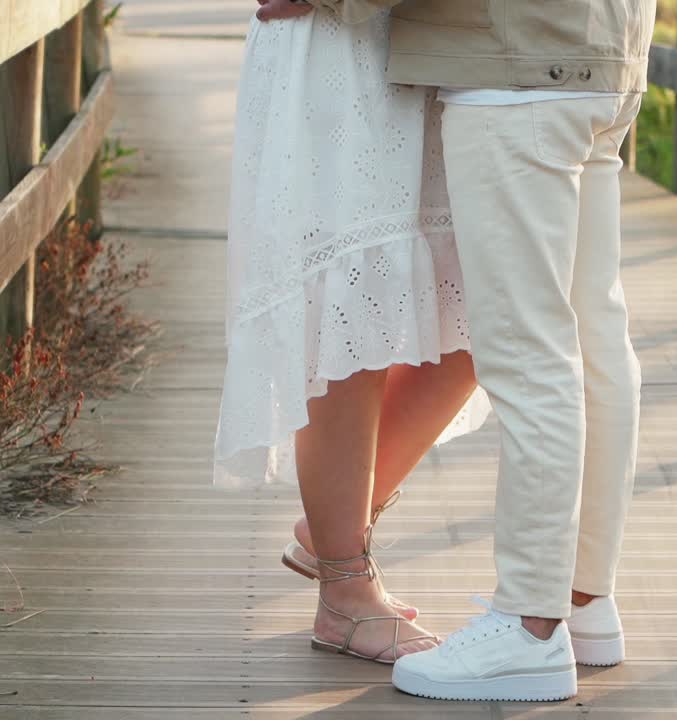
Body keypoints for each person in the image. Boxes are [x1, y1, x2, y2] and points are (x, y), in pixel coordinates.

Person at [264, 0, 656, 702]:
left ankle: (530, 628)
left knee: (528, 351)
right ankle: (586, 601)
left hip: (519, 60)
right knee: (596, 333)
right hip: (604, 52)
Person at [214, 0, 489, 663]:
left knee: (489, 307)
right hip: (342, 54)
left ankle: (331, 533)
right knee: (352, 307)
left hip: (444, 48)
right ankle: (344, 591)